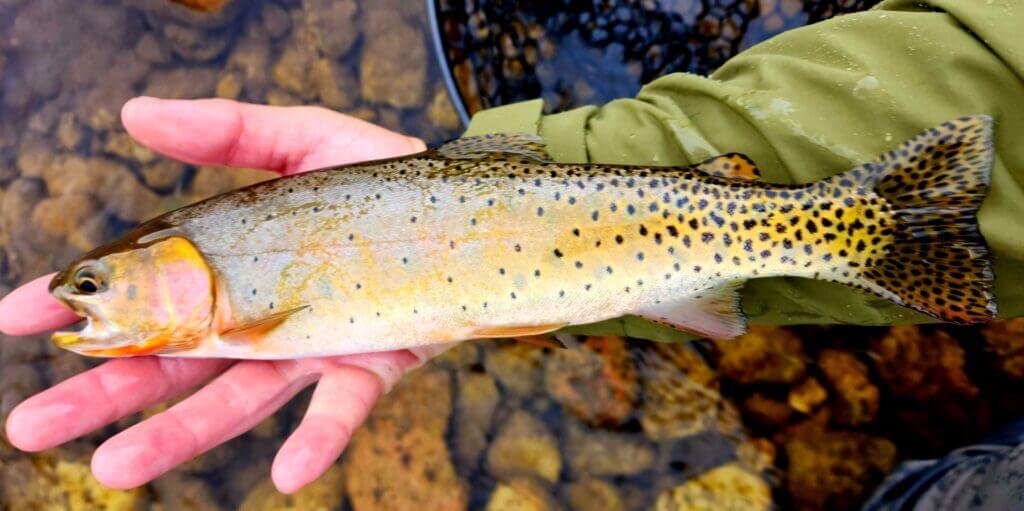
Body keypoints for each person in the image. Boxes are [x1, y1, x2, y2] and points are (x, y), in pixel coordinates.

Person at [1, 0, 1022, 501]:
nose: (86, 300)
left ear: (170, 263)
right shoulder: (226, 285)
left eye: (94, 284)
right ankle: (870, 225)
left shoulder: (242, 301)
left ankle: (862, 228)